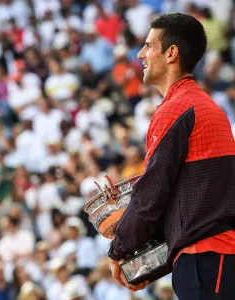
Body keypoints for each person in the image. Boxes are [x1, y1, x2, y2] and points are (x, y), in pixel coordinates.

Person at [105, 13, 235, 299]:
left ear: (171, 53)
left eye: (149, 46)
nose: (140, 54)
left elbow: (150, 195)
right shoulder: (210, 107)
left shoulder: (175, 109)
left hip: (205, 260)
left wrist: (119, 248)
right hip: (218, 257)